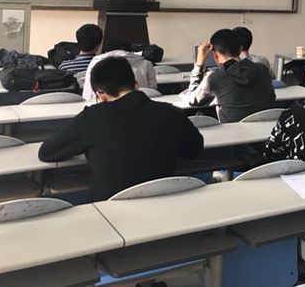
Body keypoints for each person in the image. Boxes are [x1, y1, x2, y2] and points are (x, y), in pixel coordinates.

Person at [38, 57, 204, 201]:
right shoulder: (172, 112)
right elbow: (194, 148)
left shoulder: (93, 116)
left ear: (100, 94)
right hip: (164, 203)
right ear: (136, 84)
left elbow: (47, 152)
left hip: (108, 210)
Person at [181, 28, 275, 123]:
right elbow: (271, 98)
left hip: (231, 131)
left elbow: (192, 100)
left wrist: (199, 64)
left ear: (215, 55)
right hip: (263, 128)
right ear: (240, 49)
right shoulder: (262, 69)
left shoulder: (214, 78)